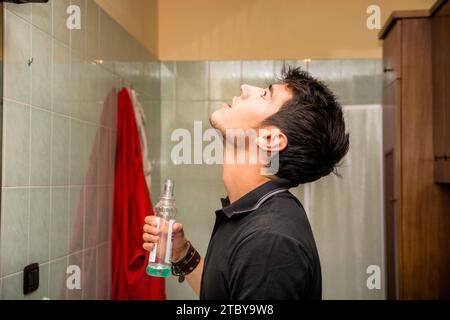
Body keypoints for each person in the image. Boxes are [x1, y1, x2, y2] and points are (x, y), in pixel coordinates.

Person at [142, 66, 349, 300]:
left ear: (271, 139)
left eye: (265, 95)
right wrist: (181, 253)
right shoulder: (253, 214)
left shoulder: (270, 242)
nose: (245, 88)